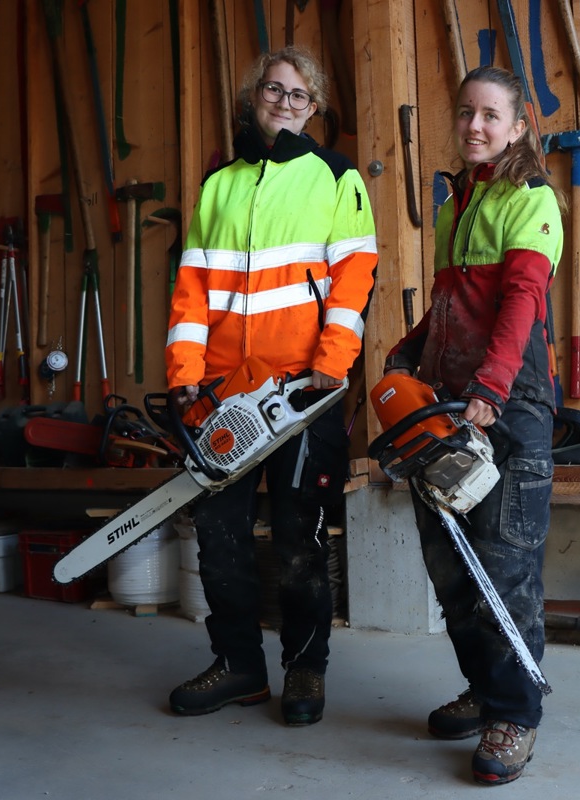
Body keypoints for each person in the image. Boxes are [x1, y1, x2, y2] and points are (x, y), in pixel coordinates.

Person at [164, 46, 377, 726]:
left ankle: (305, 671)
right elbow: (191, 292)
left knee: (300, 537)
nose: (284, 102)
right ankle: (239, 666)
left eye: (297, 94)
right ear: (253, 96)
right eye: (273, 90)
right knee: (220, 536)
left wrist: (333, 359)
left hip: (303, 391)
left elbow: (353, 279)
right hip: (225, 390)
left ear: (314, 107)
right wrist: (184, 379)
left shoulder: (337, 177)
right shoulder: (218, 185)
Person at [380, 65, 564, 785]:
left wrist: (489, 388)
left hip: (507, 404)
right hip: (447, 401)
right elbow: (461, 297)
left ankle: (514, 715)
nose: (476, 126)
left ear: (517, 126)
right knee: (450, 567)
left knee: (504, 570)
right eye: (466, 114)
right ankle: (485, 690)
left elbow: (520, 300)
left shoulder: (530, 198)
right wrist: (416, 342)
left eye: (492, 115)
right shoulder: (459, 201)